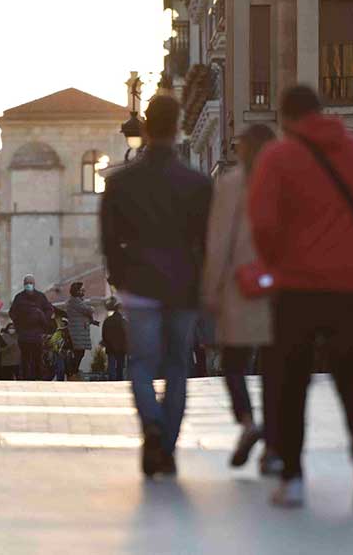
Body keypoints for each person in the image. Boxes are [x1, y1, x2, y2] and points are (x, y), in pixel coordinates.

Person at [247, 85, 353, 511]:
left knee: (291, 382)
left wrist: (277, 263)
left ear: (285, 118)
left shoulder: (278, 157)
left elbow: (263, 224)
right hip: (350, 287)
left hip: (296, 288)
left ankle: (292, 479)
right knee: (350, 376)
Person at [101, 94, 212, 478]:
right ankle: (167, 447)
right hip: (183, 287)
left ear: (146, 126)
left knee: (143, 364)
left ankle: (150, 425)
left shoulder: (121, 182)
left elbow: (109, 240)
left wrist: (120, 277)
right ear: (180, 126)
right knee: (178, 366)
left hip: (141, 285)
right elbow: (207, 241)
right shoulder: (196, 183)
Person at [201, 123, 281, 473]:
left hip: (241, 286)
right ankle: (274, 446)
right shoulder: (288, 182)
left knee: (234, 363)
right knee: (277, 369)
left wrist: (210, 290)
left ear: (246, 150)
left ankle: (248, 422)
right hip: (282, 287)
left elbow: (218, 242)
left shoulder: (232, 185)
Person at [9, 275, 54, 380]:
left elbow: (49, 310)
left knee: (37, 357)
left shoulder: (41, 297)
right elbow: (12, 312)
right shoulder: (19, 297)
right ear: (24, 284)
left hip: (37, 334)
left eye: (30, 283)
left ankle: (37, 377)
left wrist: (42, 318)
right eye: (27, 283)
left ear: (34, 284)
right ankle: (26, 378)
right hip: (23, 334)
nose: (29, 285)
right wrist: (19, 323)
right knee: (25, 358)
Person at [64, 281, 97, 378]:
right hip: (77, 332)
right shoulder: (75, 301)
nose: (84, 291)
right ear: (77, 291)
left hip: (80, 331)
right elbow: (88, 310)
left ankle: (73, 371)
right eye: (82, 290)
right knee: (79, 353)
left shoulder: (78, 301)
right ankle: (72, 371)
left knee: (80, 353)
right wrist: (91, 308)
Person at [101, 299, 128, 381]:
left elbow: (104, 334)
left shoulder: (107, 320)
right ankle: (119, 380)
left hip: (110, 347)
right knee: (120, 366)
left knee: (111, 366)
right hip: (121, 348)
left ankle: (111, 380)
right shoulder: (123, 321)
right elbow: (126, 334)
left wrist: (106, 343)